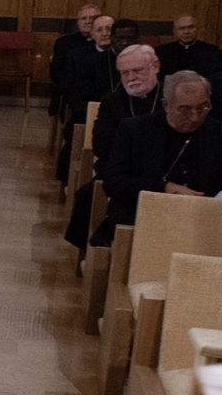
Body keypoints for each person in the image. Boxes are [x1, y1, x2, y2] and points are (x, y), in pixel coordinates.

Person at [99, 70, 222, 230]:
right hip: (145, 216)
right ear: (166, 105)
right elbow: (114, 183)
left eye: (202, 107)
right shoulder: (135, 131)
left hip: (205, 221)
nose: (195, 117)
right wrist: (165, 188)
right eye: (185, 109)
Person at [65, 44, 161, 251]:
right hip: (120, 171)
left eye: (137, 70)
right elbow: (102, 146)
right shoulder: (112, 102)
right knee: (85, 197)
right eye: (125, 73)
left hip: (161, 172)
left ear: (156, 66)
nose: (131, 78)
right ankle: (93, 253)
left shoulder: (170, 100)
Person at [54, 13, 118, 180]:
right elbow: (71, 92)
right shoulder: (77, 56)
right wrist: (93, 114)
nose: (105, 33)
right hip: (85, 113)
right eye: (99, 30)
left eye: (109, 29)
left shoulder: (123, 58)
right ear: (92, 34)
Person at [156, 12, 219, 78]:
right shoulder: (162, 51)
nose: (187, 32)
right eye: (182, 28)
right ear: (174, 31)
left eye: (191, 27)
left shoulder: (211, 50)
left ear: (197, 29)